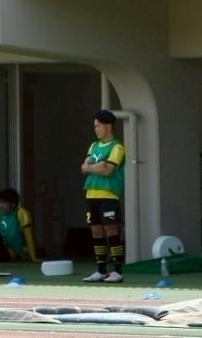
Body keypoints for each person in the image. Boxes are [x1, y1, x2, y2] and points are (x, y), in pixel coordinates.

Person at [82, 109, 127, 282]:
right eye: (95, 126)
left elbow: (108, 170)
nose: (96, 129)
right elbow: (83, 167)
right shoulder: (93, 146)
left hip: (108, 195)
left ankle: (117, 271)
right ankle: (100, 270)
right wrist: (98, 166)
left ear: (108, 126)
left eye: (98, 126)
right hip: (91, 194)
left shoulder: (117, 147)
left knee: (111, 230)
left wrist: (94, 167)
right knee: (96, 231)